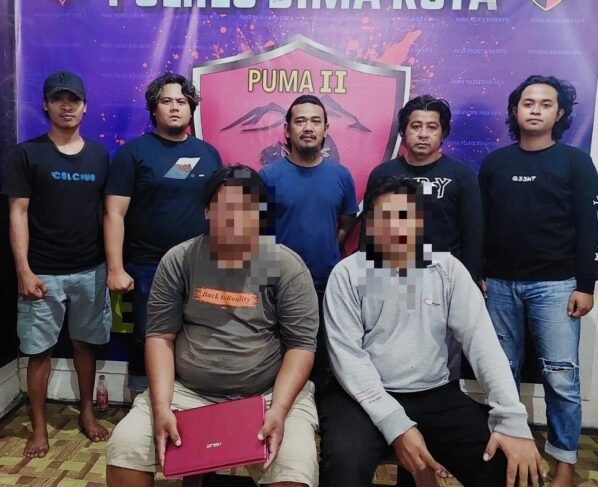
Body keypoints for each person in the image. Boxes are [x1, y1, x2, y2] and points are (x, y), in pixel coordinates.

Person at [319, 176, 544, 487]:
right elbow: (348, 358)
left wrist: (512, 420)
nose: (395, 227)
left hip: (434, 392)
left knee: (512, 470)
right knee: (344, 462)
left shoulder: (448, 269)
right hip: (360, 396)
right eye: (384, 217)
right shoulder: (346, 274)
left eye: (405, 216)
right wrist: (397, 426)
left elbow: (484, 346)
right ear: (369, 223)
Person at [105, 165, 319, 487]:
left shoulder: (284, 265)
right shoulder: (180, 259)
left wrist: (278, 408)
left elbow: (301, 346)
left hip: (267, 396)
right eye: (225, 208)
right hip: (186, 392)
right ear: (207, 211)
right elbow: (160, 336)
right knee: (125, 446)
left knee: (294, 467)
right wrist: (161, 407)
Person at [479, 75, 598, 487]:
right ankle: (508, 452)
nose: (535, 109)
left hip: (557, 286)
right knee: (501, 373)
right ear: (515, 110)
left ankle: (565, 464)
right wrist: (478, 273)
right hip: (498, 285)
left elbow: (589, 228)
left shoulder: (575, 163)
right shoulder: (495, 163)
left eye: (545, 104)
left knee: (561, 378)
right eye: (527, 102)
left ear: (559, 113)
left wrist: (586, 285)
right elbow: (481, 225)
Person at [1, 71, 111, 457]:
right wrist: (23, 270)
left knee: (85, 345)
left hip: (91, 269)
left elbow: (109, 214)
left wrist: (111, 266)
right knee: (39, 352)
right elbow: (17, 214)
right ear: (45, 105)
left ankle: (87, 413)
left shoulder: (99, 155)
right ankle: (38, 427)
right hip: (42, 272)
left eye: (74, 99)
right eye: (59, 99)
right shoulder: (26, 154)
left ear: (85, 107)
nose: (67, 106)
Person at [103, 72, 222, 398]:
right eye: (166, 101)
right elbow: (114, 214)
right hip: (147, 266)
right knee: (147, 337)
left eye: (181, 101)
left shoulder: (208, 154)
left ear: (191, 108)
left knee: (196, 336)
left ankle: (188, 401)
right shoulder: (134, 153)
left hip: (199, 265)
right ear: (153, 109)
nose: (174, 107)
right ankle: (142, 404)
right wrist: (116, 268)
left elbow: (221, 210)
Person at [366, 95, 483, 380]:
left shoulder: (461, 175)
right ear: (403, 131)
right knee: (388, 346)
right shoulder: (383, 174)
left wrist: (470, 280)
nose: (423, 134)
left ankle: (444, 399)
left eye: (432, 127)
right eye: (415, 126)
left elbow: (473, 230)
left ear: (444, 133)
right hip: (389, 277)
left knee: (443, 354)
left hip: (443, 280)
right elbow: (370, 229)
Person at [259, 94, 358, 389]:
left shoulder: (341, 176)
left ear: (326, 129)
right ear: (287, 130)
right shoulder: (267, 177)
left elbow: (347, 222)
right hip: (276, 284)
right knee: (276, 356)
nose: (308, 127)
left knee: (321, 357)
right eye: (300, 121)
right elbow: (257, 230)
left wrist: (329, 245)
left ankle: (317, 408)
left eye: (315, 121)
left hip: (325, 283)